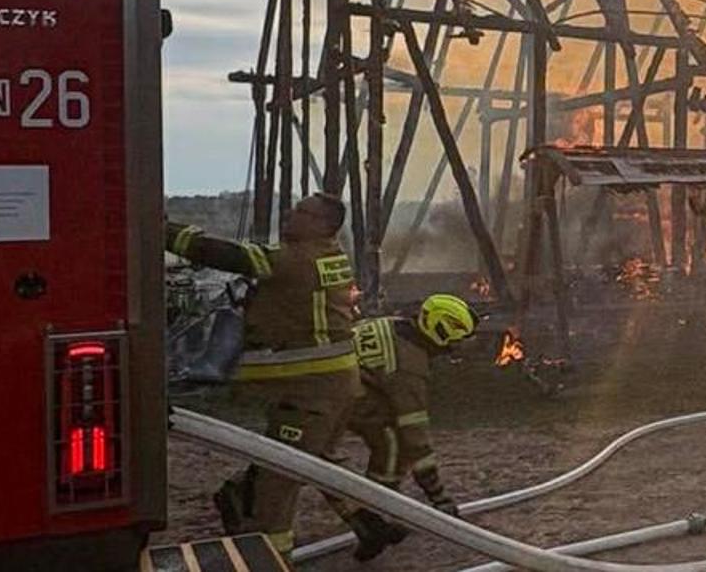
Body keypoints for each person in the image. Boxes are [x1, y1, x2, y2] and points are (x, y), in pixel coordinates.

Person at [164, 193, 395, 556]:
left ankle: (271, 553)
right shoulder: (329, 255)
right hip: (336, 385)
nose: (290, 214)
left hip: (309, 392)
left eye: (302, 212)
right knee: (315, 460)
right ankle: (368, 521)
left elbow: (228, 255)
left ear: (323, 225)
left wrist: (164, 232)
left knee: (276, 483)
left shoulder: (296, 259)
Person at [341, 294, 478, 560]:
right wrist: (439, 497)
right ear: (440, 332)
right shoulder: (408, 368)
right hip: (337, 393)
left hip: (335, 379)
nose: (455, 349)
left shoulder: (397, 325)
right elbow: (416, 438)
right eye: (456, 342)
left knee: (387, 440)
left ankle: (374, 514)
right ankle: (375, 511)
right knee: (392, 441)